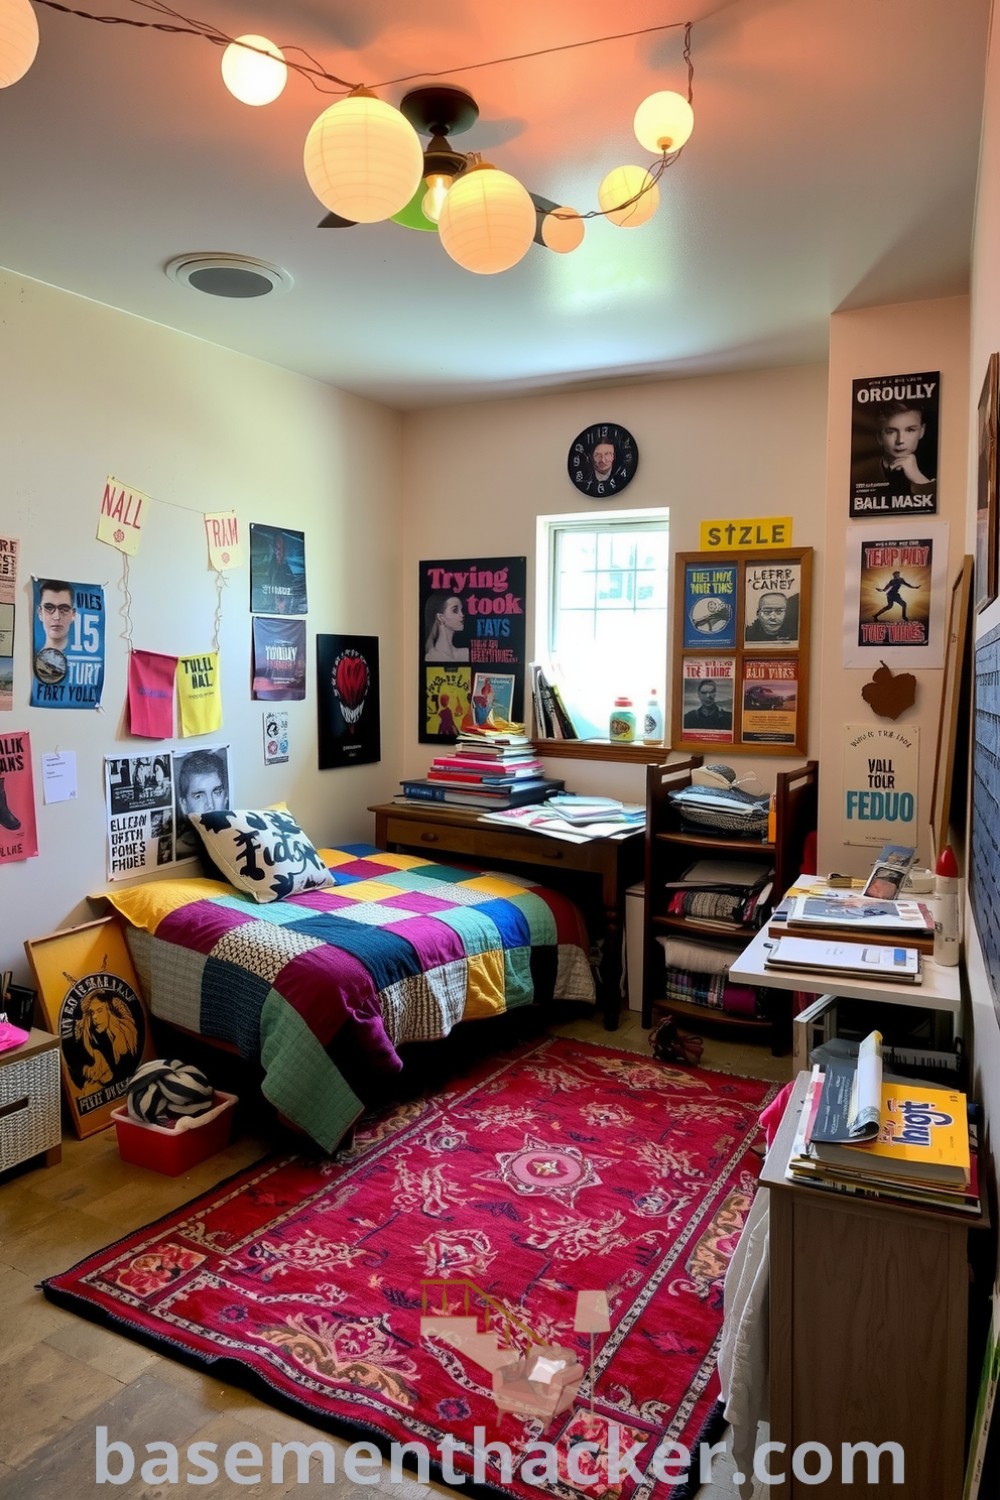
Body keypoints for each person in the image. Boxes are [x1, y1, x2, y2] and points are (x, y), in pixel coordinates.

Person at [852, 402, 934, 494]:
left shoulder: (937, 472)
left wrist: (919, 478)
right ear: (879, 437)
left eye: (910, 430)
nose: (900, 440)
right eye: (891, 432)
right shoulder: (860, 476)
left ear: (922, 431)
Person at [175, 749, 229, 857]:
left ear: (225, 798)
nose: (210, 805)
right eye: (199, 796)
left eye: (216, 792)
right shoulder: (178, 850)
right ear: (184, 805)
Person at [34, 579, 75, 684]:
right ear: (40, 613)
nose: (56, 617)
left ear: (73, 614)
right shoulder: (27, 659)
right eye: (49, 608)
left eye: (64, 609)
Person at [424, 593, 470, 662]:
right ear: (440, 617)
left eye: (461, 610)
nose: (462, 615)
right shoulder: (431, 657)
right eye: (455, 610)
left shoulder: (465, 653)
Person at [261, 531, 295, 614]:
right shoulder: (271, 568)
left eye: (280, 548)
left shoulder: (288, 571)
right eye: (276, 548)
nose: (278, 552)